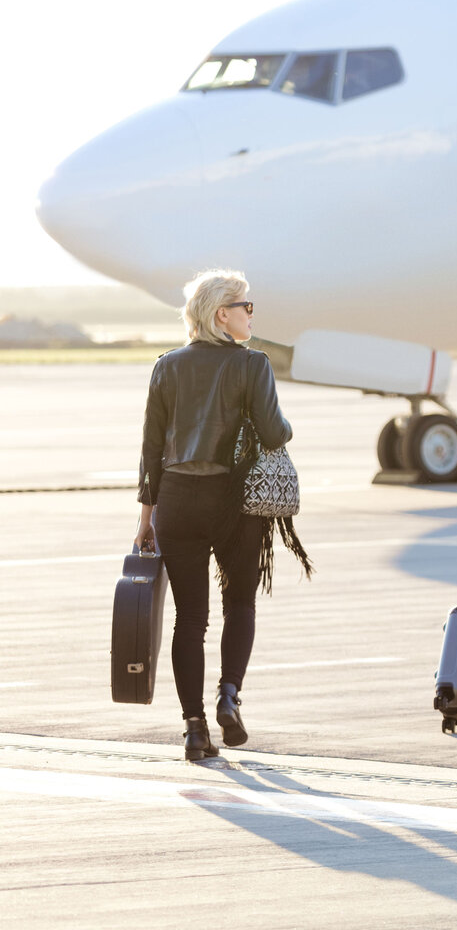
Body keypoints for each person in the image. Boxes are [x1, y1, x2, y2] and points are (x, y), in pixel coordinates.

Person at [135, 269, 293, 761]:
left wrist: (146, 518)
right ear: (222, 314)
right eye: (246, 305)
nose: (251, 313)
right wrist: (284, 424)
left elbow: (150, 448)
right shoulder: (253, 365)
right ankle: (228, 696)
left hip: (177, 502)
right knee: (239, 604)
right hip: (234, 502)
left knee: (189, 620)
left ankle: (194, 729)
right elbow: (272, 433)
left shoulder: (167, 366)